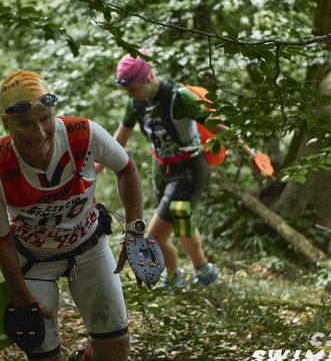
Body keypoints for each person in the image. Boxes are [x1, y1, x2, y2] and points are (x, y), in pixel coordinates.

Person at [0, 69, 146, 361]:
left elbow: (126, 169)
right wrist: (22, 298)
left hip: (89, 246)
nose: (38, 132)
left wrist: (136, 232)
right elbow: (1, 241)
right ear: (6, 123)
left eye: (46, 118)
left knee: (115, 358)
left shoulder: (83, 133)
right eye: (25, 123)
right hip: (33, 260)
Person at [104, 51, 264, 289]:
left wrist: (250, 153)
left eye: (133, 89)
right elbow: (119, 139)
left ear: (147, 79)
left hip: (189, 168)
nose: (131, 95)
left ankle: (173, 278)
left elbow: (218, 126)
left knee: (154, 235)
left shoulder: (180, 98)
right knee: (180, 222)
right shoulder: (136, 102)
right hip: (162, 170)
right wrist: (97, 162)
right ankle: (203, 272)